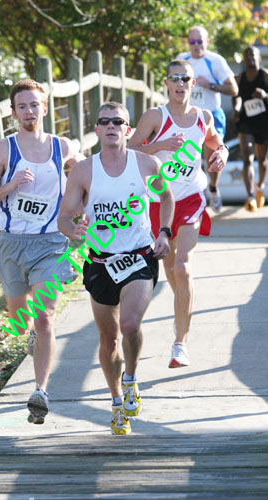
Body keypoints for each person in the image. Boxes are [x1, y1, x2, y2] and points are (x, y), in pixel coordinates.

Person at [58, 102, 174, 435]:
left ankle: (132, 378)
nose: (111, 126)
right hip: (100, 262)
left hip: (138, 256)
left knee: (130, 323)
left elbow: (167, 198)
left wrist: (164, 232)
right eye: (104, 121)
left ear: (128, 128)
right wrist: (73, 230)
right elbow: (65, 216)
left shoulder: (147, 164)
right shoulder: (83, 171)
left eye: (117, 121)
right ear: (96, 130)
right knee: (108, 339)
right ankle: (115, 403)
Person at [0, 79, 84, 424]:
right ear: (13, 112)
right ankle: (32, 341)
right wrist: (11, 184)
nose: (29, 111)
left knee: (44, 316)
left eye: (34, 105)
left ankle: (40, 390)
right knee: (20, 317)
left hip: (51, 243)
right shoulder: (3, 150)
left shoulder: (62, 147)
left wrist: (81, 212)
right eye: (22, 106)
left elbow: (89, 178)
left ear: (45, 108)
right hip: (11, 244)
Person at [127, 59, 229, 369]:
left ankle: (180, 343)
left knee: (183, 267)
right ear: (167, 83)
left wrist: (220, 156)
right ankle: (181, 307)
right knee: (170, 269)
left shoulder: (203, 117)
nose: (180, 83)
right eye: (175, 78)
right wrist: (160, 145)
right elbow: (128, 149)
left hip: (191, 199)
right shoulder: (155, 116)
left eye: (186, 78)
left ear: (193, 83)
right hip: (159, 201)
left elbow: (216, 144)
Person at [178, 25, 238, 213]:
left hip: (212, 114)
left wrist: (210, 85)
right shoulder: (182, 60)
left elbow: (233, 89)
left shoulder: (215, 61)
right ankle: (195, 194)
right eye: (192, 42)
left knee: (212, 154)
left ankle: (213, 187)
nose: (196, 46)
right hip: (189, 116)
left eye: (200, 41)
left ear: (207, 41)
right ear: (188, 43)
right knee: (187, 156)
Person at [233, 45, 268, 211]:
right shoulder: (239, 79)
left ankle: (260, 185)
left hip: (264, 123)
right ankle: (250, 197)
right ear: (243, 59)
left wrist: (265, 95)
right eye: (246, 55)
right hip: (246, 123)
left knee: (262, 160)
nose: (250, 58)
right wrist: (235, 109)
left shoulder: (265, 76)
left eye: (253, 55)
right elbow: (235, 97)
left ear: (258, 58)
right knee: (247, 159)